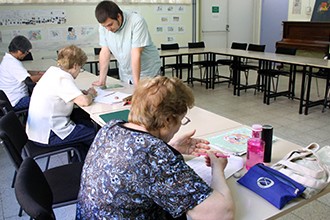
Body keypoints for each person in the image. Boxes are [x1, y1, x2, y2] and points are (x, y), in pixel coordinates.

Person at [76, 76, 235, 219]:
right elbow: (221, 214)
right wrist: (217, 168)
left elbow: (136, 166)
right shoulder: (153, 154)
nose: (179, 125)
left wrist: (171, 148)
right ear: (167, 120)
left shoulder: (111, 128)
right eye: (181, 120)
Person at [26, 45, 97, 159]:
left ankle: (80, 160)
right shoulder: (63, 78)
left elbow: (59, 92)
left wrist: (77, 92)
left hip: (37, 131)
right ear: (75, 66)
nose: (79, 71)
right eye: (81, 68)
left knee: (84, 122)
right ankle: (89, 166)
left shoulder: (53, 72)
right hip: (50, 134)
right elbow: (84, 102)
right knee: (97, 134)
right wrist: (91, 94)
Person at [92, 0, 161, 87]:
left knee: (147, 99)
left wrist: (137, 86)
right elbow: (105, 52)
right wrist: (101, 80)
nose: (108, 29)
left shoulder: (136, 21)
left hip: (147, 73)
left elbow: (136, 53)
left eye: (110, 25)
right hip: (126, 75)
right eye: (105, 26)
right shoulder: (104, 26)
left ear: (118, 16)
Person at [0, 35, 43, 111]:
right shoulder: (12, 63)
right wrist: (47, 75)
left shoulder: (8, 59)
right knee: (45, 100)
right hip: (16, 101)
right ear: (20, 51)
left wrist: (37, 73)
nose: (26, 54)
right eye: (26, 52)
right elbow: (28, 80)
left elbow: (24, 72)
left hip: (10, 97)